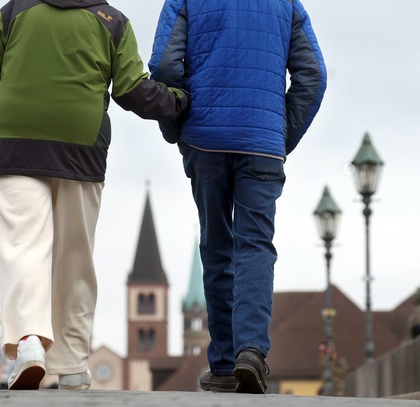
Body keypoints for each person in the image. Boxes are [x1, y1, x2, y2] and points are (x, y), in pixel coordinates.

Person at [0, 0, 188, 391]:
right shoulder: (113, 22)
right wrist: (179, 101)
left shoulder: (14, 10)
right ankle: (71, 365)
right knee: (74, 254)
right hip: (80, 146)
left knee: (23, 245)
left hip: (13, 142)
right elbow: (134, 91)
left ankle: (30, 343)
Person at [149, 0, 327, 394]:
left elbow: (164, 67)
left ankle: (225, 364)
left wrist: (175, 126)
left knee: (216, 246)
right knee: (255, 244)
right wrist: (280, 136)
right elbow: (313, 75)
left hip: (206, 138)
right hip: (261, 143)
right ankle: (252, 352)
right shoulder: (287, 3)